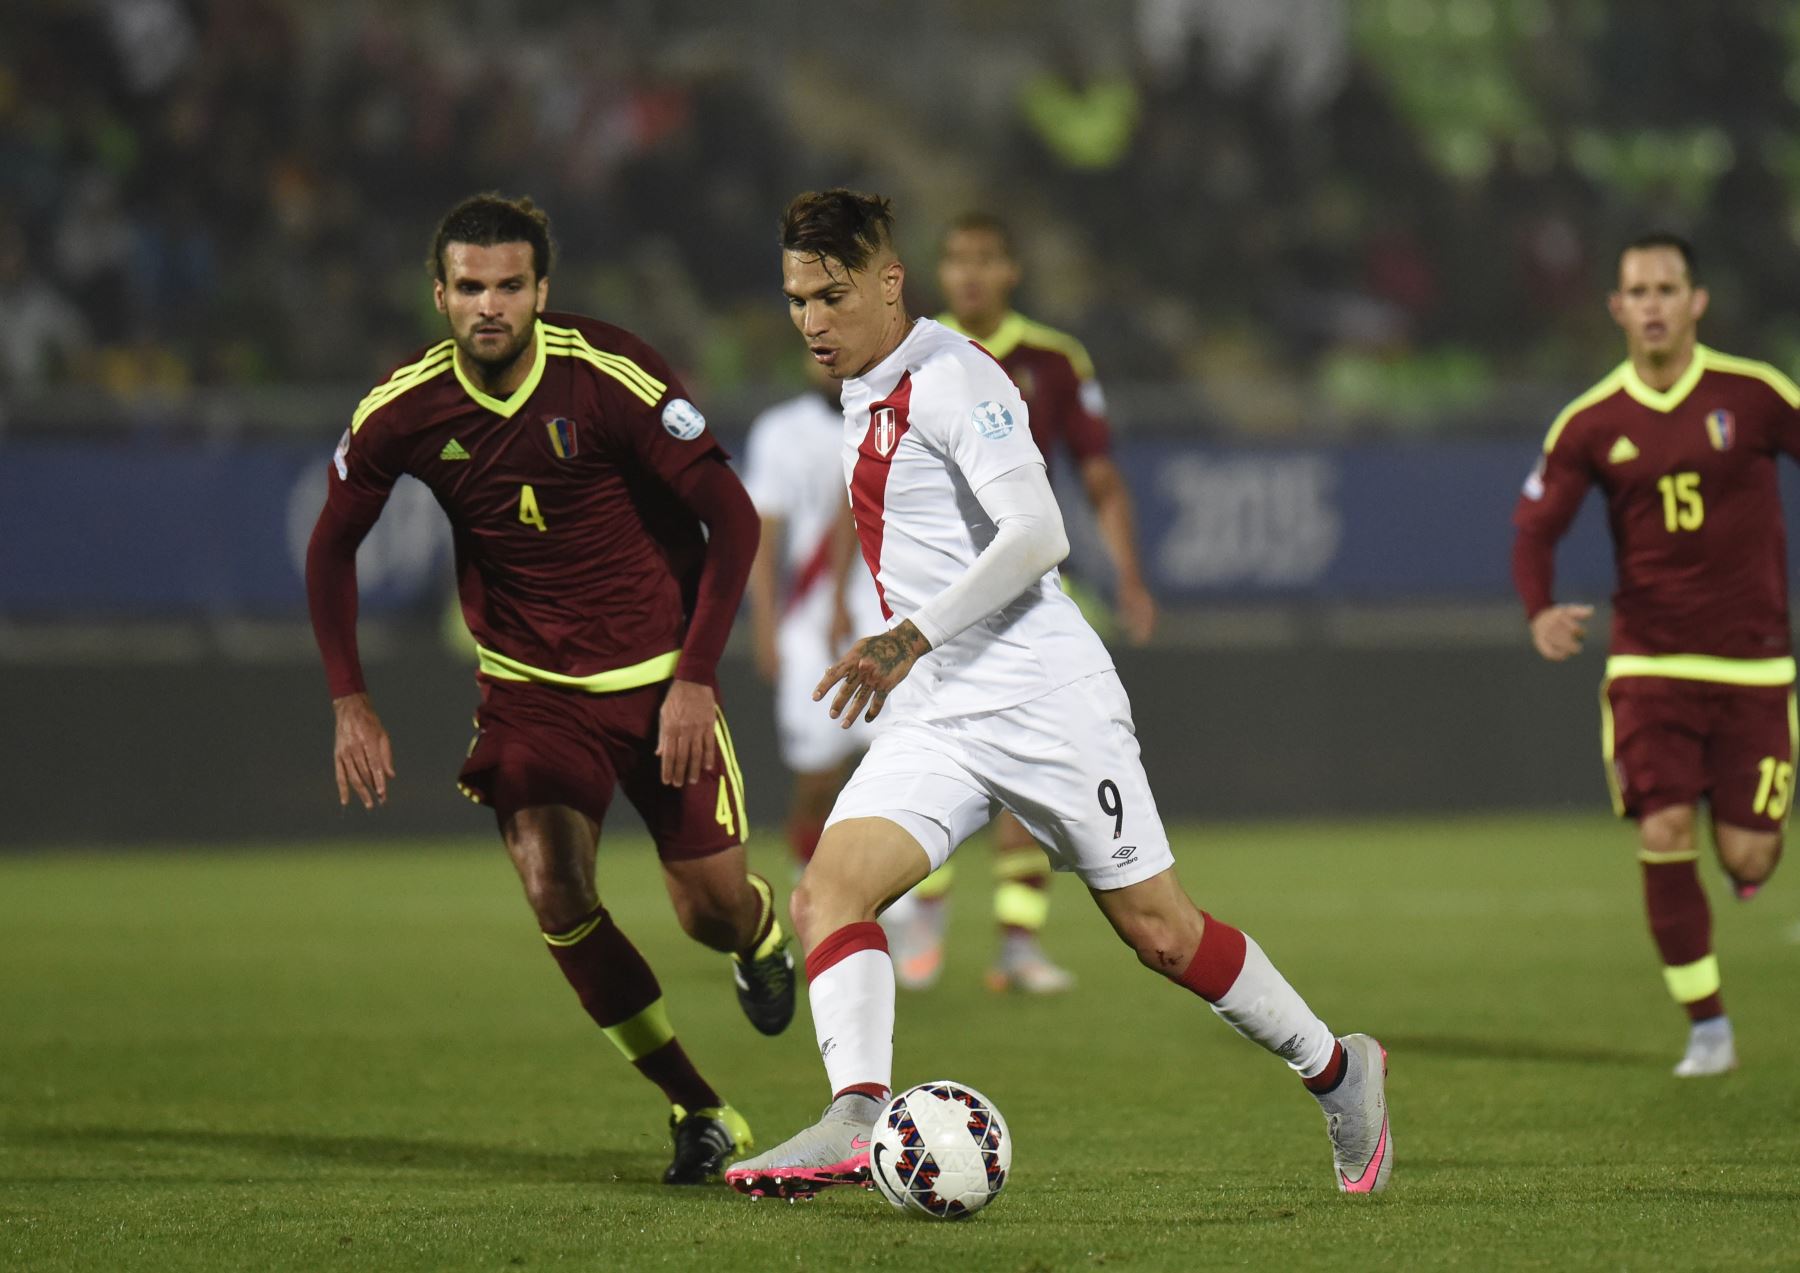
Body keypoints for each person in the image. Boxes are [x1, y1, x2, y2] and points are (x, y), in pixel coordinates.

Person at [724, 189, 1390, 1199]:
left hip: (1042, 692)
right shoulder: (865, 380)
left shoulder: (955, 377)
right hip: (940, 705)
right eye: (796, 299)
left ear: (891, 284)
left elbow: (1040, 534)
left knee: (1160, 934)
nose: (812, 320)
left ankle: (1341, 1072)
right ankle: (856, 1116)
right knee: (828, 892)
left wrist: (908, 632)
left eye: (833, 294)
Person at [305, 193, 793, 1184]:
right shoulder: (402, 409)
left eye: (511, 285)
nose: (491, 305)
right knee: (555, 889)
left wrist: (697, 677)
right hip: (529, 689)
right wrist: (349, 699)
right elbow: (330, 549)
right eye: (471, 286)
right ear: (439, 295)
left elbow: (732, 521)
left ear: (541, 291)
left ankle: (759, 930)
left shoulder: (609, 374)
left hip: (660, 683)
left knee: (706, 907)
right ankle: (698, 1107)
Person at [1512, 232, 1797, 1079]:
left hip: (1754, 664)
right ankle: (1707, 1024)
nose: (1653, 304)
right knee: (1665, 828)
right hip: (1650, 664)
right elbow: (1536, 527)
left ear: (1696, 301)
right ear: (1617, 307)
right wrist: (1539, 611)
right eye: (1637, 290)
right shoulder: (1593, 421)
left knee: (1751, 855)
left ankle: (1737, 842)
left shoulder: (1752, 395)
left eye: (1668, 288)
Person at [878, 211, 1161, 996]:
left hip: (1023, 596)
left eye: (985, 259)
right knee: (931, 757)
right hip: (930, 601)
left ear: (1011, 272)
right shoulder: (914, 356)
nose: (969, 273)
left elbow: (1099, 476)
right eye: (956, 259)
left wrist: (1130, 575)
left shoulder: (1054, 360)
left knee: (1026, 780)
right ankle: (924, 921)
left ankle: (1015, 943)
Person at [742, 361, 888, 872]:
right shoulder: (781, 430)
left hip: (888, 615)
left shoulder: (893, 417)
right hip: (809, 621)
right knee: (816, 775)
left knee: (894, 761)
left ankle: (899, 907)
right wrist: (764, 623)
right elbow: (764, 532)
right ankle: (809, 882)